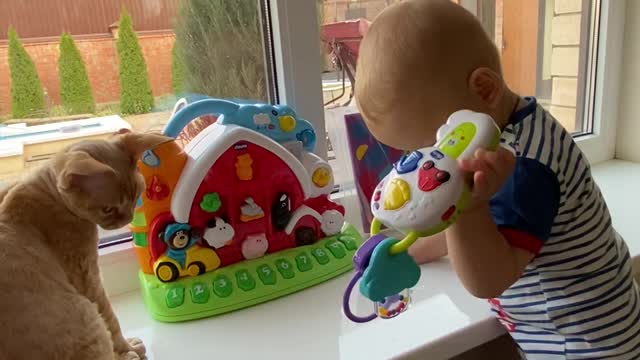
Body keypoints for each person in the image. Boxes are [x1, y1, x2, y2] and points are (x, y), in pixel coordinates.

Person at [354, 0, 640, 358]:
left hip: (582, 344)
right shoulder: (516, 126)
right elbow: (485, 226)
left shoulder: (522, 166)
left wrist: (468, 210)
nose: (431, 167)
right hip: (583, 326)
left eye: (435, 142)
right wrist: (410, 249)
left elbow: (487, 279)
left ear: (485, 89)